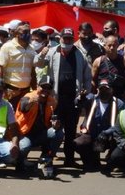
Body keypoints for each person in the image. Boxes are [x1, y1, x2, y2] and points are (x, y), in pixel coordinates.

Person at [36, 27, 91, 167]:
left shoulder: (80, 54)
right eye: (64, 38)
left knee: (71, 130)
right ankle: (48, 157)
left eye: (69, 39)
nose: (67, 41)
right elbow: (38, 63)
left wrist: (86, 90)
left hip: (73, 98)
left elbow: (87, 74)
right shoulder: (52, 51)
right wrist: (42, 54)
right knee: (54, 128)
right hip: (55, 98)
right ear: (59, 38)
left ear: (73, 39)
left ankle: (70, 159)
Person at [15, 76, 64, 176]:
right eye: (43, 87)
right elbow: (23, 107)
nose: (45, 90)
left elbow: (58, 119)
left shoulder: (53, 102)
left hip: (41, 135)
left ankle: (45, 159)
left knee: (58, 133)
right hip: (25, 134)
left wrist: (56, 125)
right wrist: (31, 102)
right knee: (24, 146)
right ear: (37, 86)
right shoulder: (28, 97)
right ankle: (19, 163)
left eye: (48, 88)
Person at [74, 79, 125, 171]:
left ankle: (112, 161)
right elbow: (77, 104)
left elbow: (120, 125)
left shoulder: (119, 103)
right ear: (98, 90)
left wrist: (106, 133)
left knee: (118, 139)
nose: (104, 92)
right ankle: (90, 162)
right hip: (92, 135)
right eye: (102, 89)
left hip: (109, 137)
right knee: (79, 143)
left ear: (112, 90)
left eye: (107, 89)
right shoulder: (91, 99)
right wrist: (80, 98)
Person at [0, 21, 38, 108]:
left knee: (23, 118)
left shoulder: (32, 49)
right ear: (17, 34)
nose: (28, 34)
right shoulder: (7, 47)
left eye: (29, 32)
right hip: (10, 91)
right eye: (24, 32)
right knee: (9, 117)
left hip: (26, 92)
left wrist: (34, 90)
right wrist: (2, 89)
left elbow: (32, 71)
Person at [92, 34, 125, 101]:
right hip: (102, 98)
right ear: (104, 46)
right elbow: (93, 80)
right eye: (109, 45)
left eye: (114, 45)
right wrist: (93, 94)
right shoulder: (98, 61)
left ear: (117, 46)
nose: (112, 48)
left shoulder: (124, 60)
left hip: (119, 98)